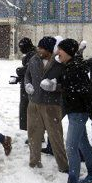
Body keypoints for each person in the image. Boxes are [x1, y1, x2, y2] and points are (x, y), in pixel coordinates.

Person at [54, 39, 92, 183]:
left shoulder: (76, 69)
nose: (57, 52)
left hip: (78, 113)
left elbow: (86, 92)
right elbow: (71, 89)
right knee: (83, 143)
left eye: (60, 50)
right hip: (75, 111)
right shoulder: (70, 67)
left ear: (68, 52)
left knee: (71, 148)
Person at [24, 37, 68, 172]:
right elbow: (27, 75)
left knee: (55, 136)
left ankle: (63, 166)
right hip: (34, 103)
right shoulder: (34, 59)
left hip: (52, 105)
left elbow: (68, 83)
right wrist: (28, 84)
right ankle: (34, 161)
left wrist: (55, 86)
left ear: (49, 50)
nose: (39, 50)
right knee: (33, 134)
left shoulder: (59, 62)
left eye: (41, 48)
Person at [9, 37, 36, 135]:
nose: (20, 49)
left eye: (21, 47)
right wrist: (18, 78)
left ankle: (36, 134)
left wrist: (19, 71)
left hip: (30, 87)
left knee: (30, 111)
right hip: (28, 85)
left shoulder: (32, 55)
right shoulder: (31, 54)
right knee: (28, 110)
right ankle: (34, 133)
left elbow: (29, 69)